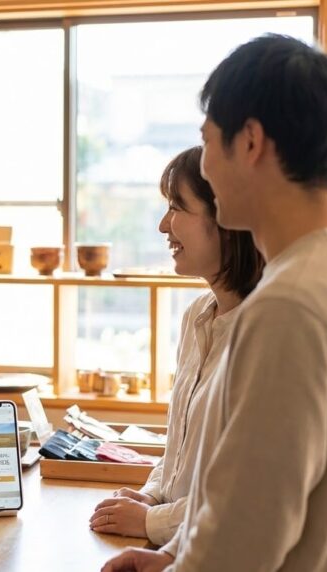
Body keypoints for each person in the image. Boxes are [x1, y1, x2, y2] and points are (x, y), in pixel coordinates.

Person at [102, 34, 327, 572]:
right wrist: (169, 557)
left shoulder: (290, 304)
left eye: (208, 142)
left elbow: (243, 540)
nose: (206, 167)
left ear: (250, 142)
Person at [89, 146, 263, 549]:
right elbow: (182, 451)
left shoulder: (268, 333)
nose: (163, 226)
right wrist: (151, 495)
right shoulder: (197, 315)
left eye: (176, 208)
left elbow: (255, 493)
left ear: (228, 220)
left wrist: (152, 521)